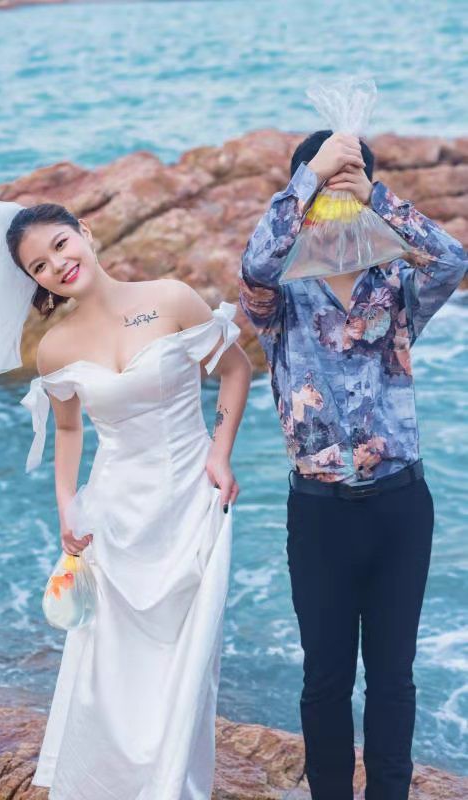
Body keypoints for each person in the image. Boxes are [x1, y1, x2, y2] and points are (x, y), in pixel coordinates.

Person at [0, 199, 252, 800]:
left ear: (83, 232)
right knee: (110, 665)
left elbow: (235, 370)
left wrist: (220, 452)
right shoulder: (56, 347)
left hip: (190, 500)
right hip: (113, 516)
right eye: (39, 266)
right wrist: (67, 505)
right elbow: (70, 431)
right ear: (35, 282)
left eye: (60, 245)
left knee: (189, 659)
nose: (57, 265)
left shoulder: (171, 298)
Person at [238, 130, 467, 800]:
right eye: (320, 186)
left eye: (346, 185)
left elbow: (451, 261)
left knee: (393, 677)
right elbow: (254, 264)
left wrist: (373, 194)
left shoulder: (393, 284)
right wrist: (311, 175)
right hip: (319, 514)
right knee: (325, 678)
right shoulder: (279, 297)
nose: (333, 199)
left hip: (401, 505)